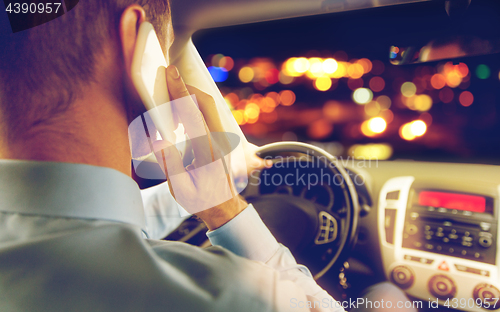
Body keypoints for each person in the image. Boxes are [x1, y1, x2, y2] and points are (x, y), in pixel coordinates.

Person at [0, 1, 416, 311]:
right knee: (385, 294)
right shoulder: (232, 296)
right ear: (137, 46)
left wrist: (209, 194)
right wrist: (224, 208)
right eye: (163, 55)